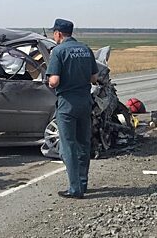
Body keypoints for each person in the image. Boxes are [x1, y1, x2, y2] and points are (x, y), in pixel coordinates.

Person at [46, 18, 98, 199]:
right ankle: (83, 184)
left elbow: (54, 81)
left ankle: (75, 189)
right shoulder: (86, 49)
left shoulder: (58, 51)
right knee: (84, 143)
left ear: (58, 33)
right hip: (85, 102)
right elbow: (94, 78)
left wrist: (49, 81)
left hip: (67, 104)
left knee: (68, 146)